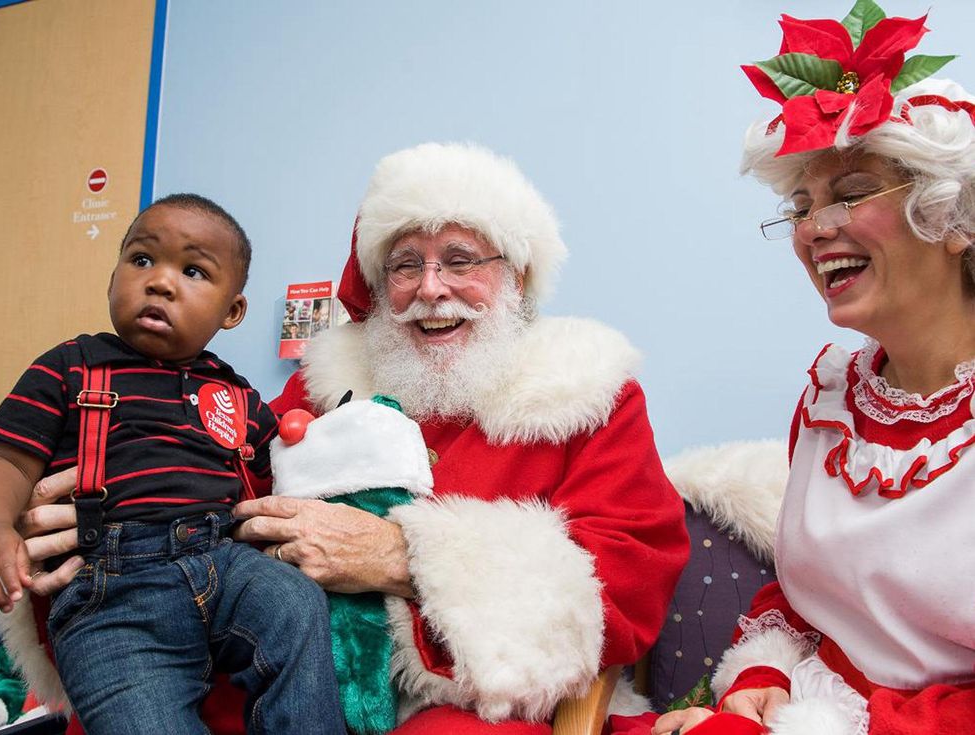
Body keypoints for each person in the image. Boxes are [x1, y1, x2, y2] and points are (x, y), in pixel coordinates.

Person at [239, 141, 689, 734]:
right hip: (307, 675)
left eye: (460, 260)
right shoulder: (326, 386)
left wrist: (403, 558)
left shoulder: (590, 394)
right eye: (405, 264)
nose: (430, 288)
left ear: (517, 275)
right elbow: (227, 473)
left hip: (489, 700)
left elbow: (626, 585)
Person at [650, 3, 975, 734]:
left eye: (853, 193)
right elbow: (813, 599)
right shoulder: (833, 396)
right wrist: (764, 669)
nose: (813, 229)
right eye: (801, 205)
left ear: (954, 219)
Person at [0, 194, 345, 734]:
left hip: (224, 562)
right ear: (112, 277)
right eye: (141, 260)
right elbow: (11, 461)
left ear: (232, 311)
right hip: (111, 597)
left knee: (294, 601)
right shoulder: (71, 366)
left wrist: (335, 432)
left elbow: (282, 464)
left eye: (193, 271)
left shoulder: (234, 392)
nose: (160, 281)